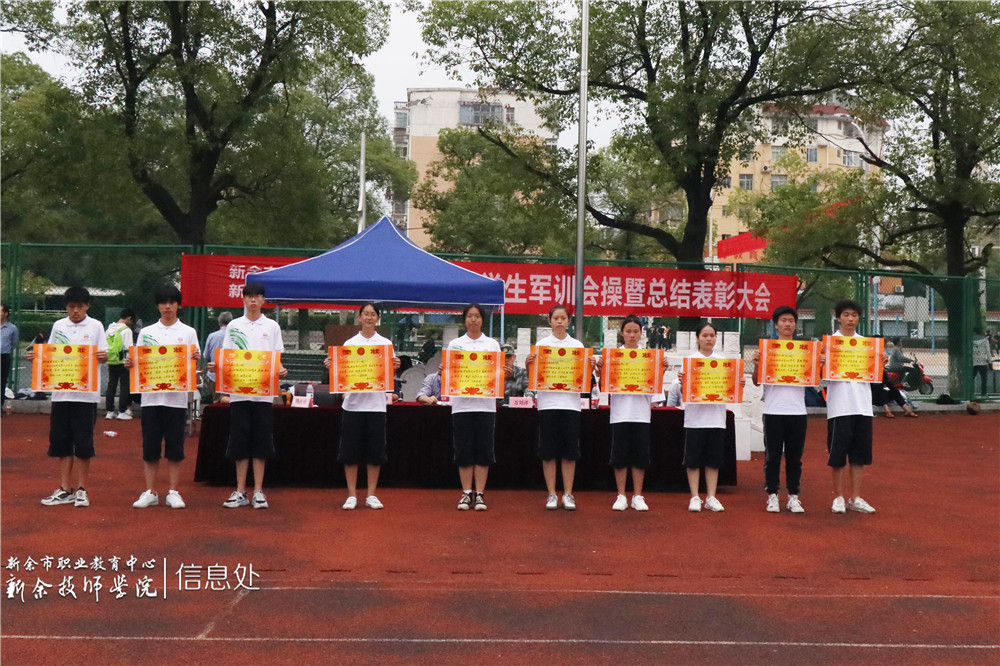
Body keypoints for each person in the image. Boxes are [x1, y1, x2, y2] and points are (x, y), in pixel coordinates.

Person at [27, 287, 108, 507]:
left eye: (80, 306)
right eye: (71, 306)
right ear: (66, 307)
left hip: (86, 396)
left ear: (87, 306)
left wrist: (103, 355)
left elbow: (104, 353)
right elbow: (51, 354)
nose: (75, 311)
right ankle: (64, 488)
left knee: (83, 444)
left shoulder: (96, 326)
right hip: (61, 394)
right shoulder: (59, 325)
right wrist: (37, 357)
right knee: (62, 442)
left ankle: (81, 489)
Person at [211, 282, 287, 509]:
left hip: (263, 396)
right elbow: (228, 357)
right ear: (243, 299)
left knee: (261, 442)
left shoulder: (272, 326)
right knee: (240, 442)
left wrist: (281, 370)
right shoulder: (234, 326)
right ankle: (240, 491)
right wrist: (217, 365)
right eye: (249, 296)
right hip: (239, 394)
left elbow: (277, 358)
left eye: (257, 296)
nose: (253, 300)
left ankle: (259, 491)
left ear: (263, 300)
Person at [126, 286, 201, 509]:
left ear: (179, 305)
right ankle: (150, 491)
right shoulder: (147, 332)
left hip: (176, 400)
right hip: (151, 399)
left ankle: (173, 491)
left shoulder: (188, 332)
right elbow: (139, 362)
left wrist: (195, 356)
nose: (167, 306)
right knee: (150, 446)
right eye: (163, 302)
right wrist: (131, 363)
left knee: (175, 447)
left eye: (172, 302)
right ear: (158, 306)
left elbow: (194, 360)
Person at [323, 303, 400, 510]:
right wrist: (333, 366)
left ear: (377, 319)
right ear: (359, 318)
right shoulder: (350, 343)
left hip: (376, 405)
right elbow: (342, 373)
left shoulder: (385, 344)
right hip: (353, 405)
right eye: (365, 314)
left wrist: (394, 366)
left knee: (376, 452)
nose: (369, 317)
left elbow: (388, 373)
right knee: (350, 452)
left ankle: (371, 495)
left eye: (373, 314)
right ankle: (351, 495)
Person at [526, 305, 588, 511]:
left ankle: (568, 494)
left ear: (569, 321)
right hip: (548, 404)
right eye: (556, 318)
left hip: (571, 405)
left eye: (563, 318)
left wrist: (589, 365)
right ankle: (552, 494)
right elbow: (534, 378)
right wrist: (529, 364)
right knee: (548, 451)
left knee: (570, 452)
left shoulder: (577, 346)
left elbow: (583, 376)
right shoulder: (541, 346)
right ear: (549, 321)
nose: (560, 321)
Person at [824, 299, 881, 515]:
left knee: (859, 456)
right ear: (838, 318)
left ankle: (855, 498)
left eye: (854, 315)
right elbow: (820, 374)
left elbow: (875, 374)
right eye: (846, 315)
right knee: (838, 455)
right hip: (840, 407)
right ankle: (838, 497)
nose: (850, 319)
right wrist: (821, 361)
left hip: (863, 407)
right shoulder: (830, 344)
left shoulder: (867, 345)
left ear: (859, 318)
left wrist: (881, 361)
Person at [678, 321, 740, 512]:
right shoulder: (690, 361)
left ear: (716, 338)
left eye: (712, 335)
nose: (708, 339)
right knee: (693, 460)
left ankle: (711, 497)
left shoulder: (723, 362)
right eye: (704, 335)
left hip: (716, 418)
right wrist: (683, 382)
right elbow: (684, 392)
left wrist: (738, 384)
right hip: (695, 419)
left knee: (713, 460)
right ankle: (695, 497)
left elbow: (730, 390)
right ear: (698, 338)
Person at [753, 306, 808, 514]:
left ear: (795, 325)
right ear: (776, 325)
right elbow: (756, 381)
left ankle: (794, 496)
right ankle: (772, 495)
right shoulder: (767, 350)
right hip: (773, 410)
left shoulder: (805, 352)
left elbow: (815, 377)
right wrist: (757, 364)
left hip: (798, 411)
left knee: (795, 458)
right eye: (783, 320)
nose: (787, 324)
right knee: (773, 456)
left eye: (791, 321)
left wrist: (819, 364)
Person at [448, 303, 501, 511]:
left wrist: (502, 372)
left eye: (477, 316)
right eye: (470, 316)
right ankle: (465, 493)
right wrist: (446, 370)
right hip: (461, 406)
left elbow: (496, 373)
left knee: (483, 451)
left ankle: (479, 494)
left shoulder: (492, 345)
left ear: (482, 320)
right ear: (464, 320)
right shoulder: (455, 344)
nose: (473, 320)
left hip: (486, 406)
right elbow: (451, 373)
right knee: (463, 450)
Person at [602, 314, 655, 512]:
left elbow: (654, 385)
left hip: (641, 413)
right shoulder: (614, 357)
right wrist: (601, 370)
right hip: (620, 413)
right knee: (620, 456)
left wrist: (660, 370)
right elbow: (604, 383)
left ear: (641, 333)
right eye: (628, 331)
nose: (632, 335)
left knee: (640, 456)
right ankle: (621, 495)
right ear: (622, 333)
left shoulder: (649, 357)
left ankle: (638, 496)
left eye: (636, 331)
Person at [104, 308, 135, 420]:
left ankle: (109, 411)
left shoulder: (109, 329)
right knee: (124, 386)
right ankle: (122, 411)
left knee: (111, 384)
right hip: (123, 361)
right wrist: (129, 360)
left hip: (111, 360)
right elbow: (129, 347)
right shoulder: (126, 330)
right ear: (129, 318)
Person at [1, 303, 19, 414]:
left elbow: (14, 343)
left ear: (6, 313)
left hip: (4, 357)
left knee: (2, 382)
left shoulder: (12, 328)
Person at [972, 328, 992, 397]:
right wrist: (990, 361)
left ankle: (970, 392)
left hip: (973, 361)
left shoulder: (970, 340)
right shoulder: (985, 340)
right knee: (984, 378)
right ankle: (983, 393)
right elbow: (988, 351)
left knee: (971, 378)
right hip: (983, 361)